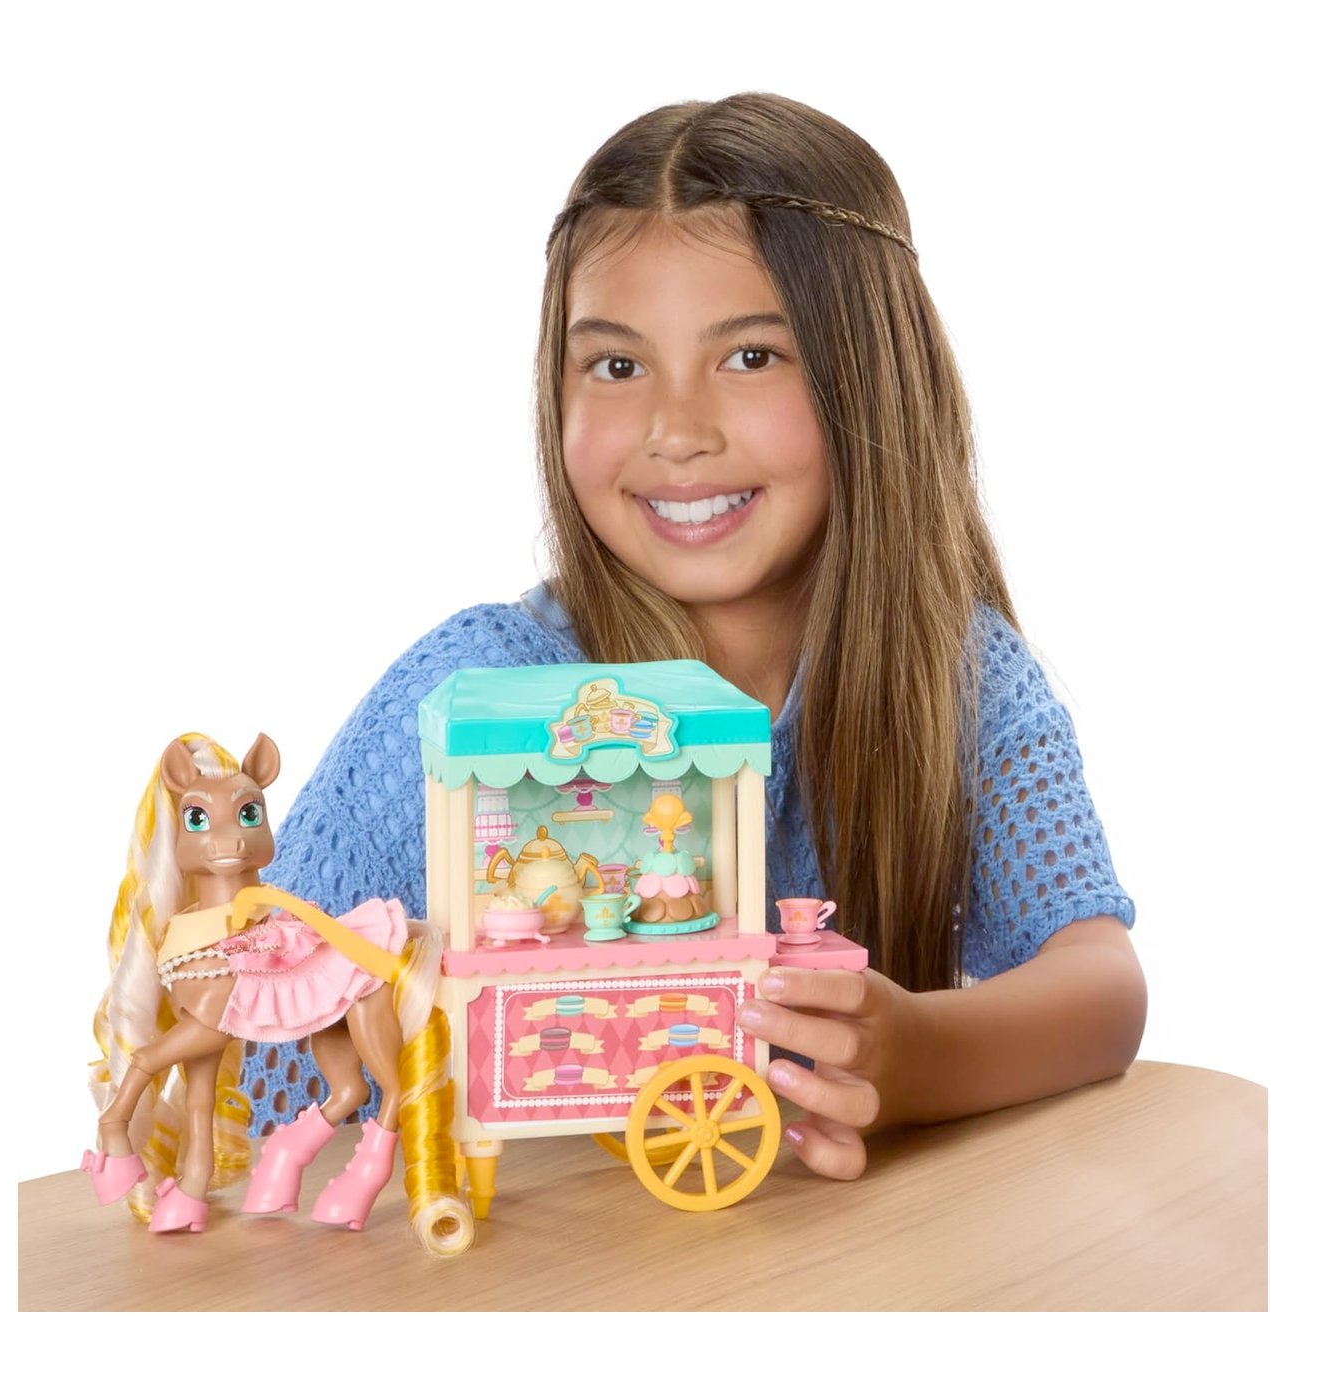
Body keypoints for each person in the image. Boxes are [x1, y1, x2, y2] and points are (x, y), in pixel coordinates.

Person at [258, 92, 1144, 1182]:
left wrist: (917, 1053)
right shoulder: (470, 697)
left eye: (751, 356)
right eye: (616, 366)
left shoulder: (954, 675)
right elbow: (261, 1047)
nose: (675, 433)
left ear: (870, 377)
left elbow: (1100, 980)